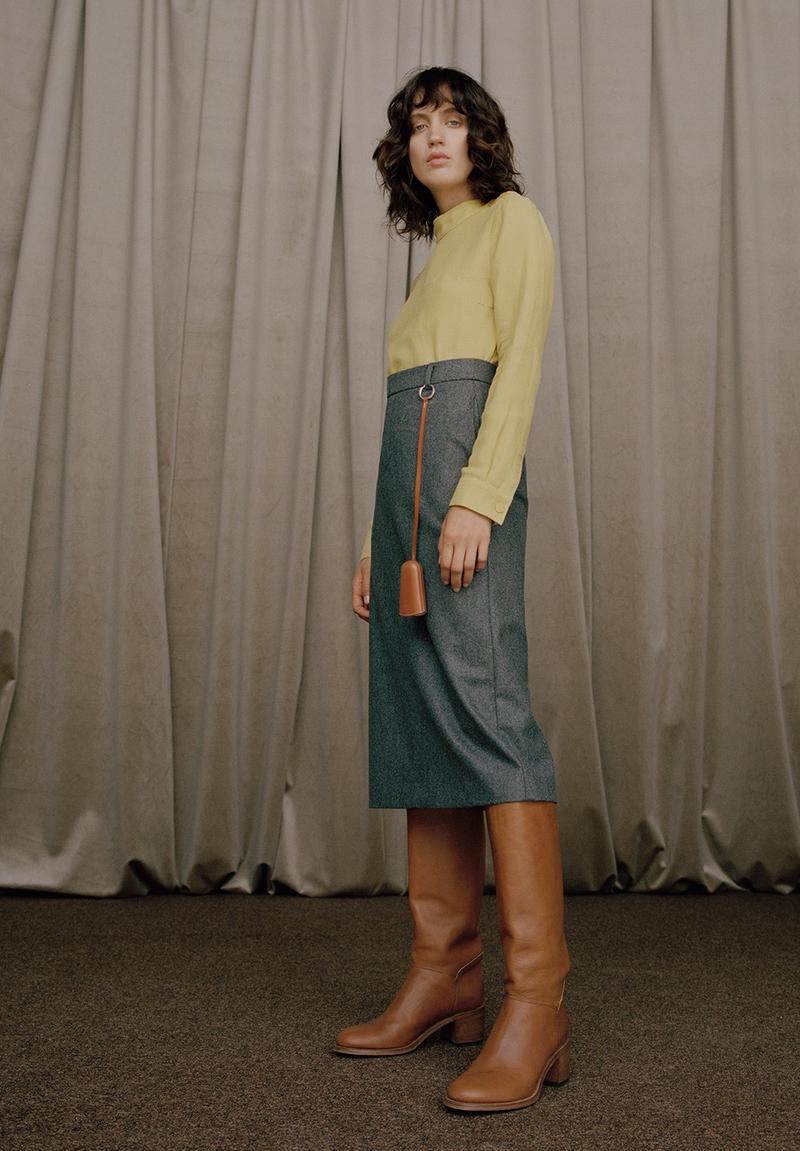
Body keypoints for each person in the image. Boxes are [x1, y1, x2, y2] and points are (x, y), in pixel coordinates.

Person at [334, 65, 571, 1114]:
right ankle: (444, 975)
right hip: (405, 517)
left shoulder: (513, 222)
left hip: (464, 499)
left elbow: (514, 374)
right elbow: (404, 423)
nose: (436, 137)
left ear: (482, 139)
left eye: (453, 121)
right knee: (418, 719)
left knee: (487, 713)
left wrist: (477, 498)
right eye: (419, 124)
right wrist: (375, 542)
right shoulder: (429, 259)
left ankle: (537, 1002)